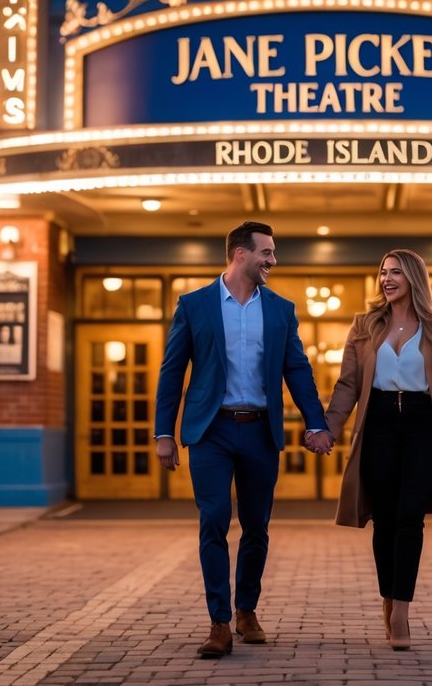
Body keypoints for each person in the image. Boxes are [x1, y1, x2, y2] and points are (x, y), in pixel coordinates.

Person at [154, 221, 334, 659]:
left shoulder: (280, 309)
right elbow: (172, 370)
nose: (273, 260)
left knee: (256, 525)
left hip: (259, 429)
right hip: (211, 430)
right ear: (240, 254)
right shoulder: (194, 305)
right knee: (213, 519)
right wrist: (164, 432)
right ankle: (219, 623)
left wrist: (316, 423)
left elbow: (297, 371)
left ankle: (246, 610)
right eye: (267, 253)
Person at [324, 248, 432, 650]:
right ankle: (387, 597)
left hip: (422, 426)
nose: (386, 279)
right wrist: (329, 429)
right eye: (383, 272)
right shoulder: (364, 325)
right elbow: (348, 384)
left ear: (414, 279)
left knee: (410, 519)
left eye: (395, 273)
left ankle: (401, 609)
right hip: (379, 426)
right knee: (385, 521)